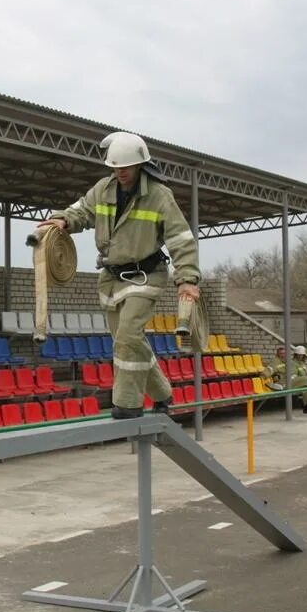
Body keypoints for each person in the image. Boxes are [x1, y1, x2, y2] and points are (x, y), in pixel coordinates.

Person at [37, 131, 200, 419]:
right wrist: (62, 219)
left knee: (127, 337)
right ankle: (163, 393)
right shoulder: (103, 189)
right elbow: (81, 210)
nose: (120, 172)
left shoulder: (160, 196)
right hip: (111, 279)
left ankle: (127, 403)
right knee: (128, 341)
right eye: (115, 167)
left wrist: (187, 279)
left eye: (125, 166)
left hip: (146, 276)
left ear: (140, 165)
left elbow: (181, 239)